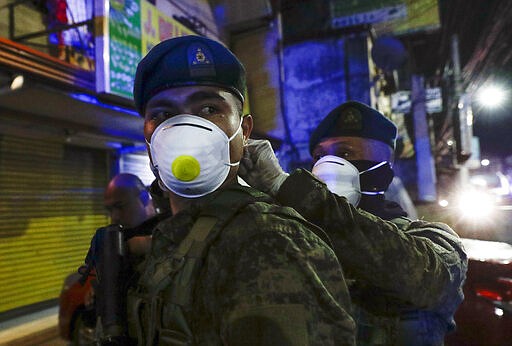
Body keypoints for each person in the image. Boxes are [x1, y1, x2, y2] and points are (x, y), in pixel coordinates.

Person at [124, 35, 356, 345]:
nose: (186, 128)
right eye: (163, 115)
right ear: (148, 136)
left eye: (208, 108)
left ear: (243, 131)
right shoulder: (172, 233)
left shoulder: (271, 240)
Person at [239, 101, 468, 346]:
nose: (326, 164)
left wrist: (287, 187)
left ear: (385, 165)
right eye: (319, 156)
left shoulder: (435, 241)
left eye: (345, 153)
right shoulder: (299, 236)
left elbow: (424, 280)